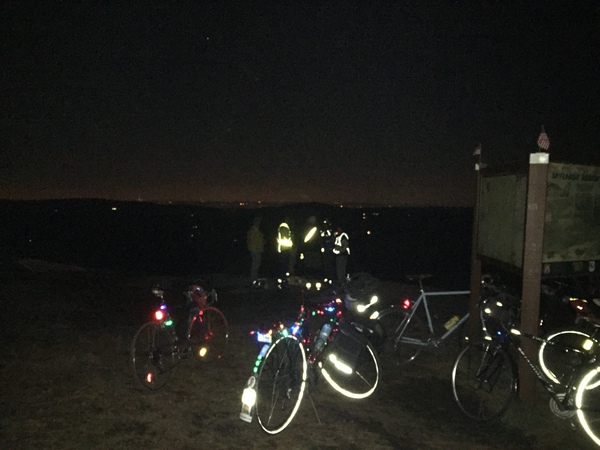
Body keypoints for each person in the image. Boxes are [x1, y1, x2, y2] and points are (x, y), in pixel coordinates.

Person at [246, 216, 265, 284]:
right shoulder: (253, 231)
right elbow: (254, 241)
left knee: (257, 265)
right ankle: (253, 279)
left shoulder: (256, 231)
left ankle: (255, 278)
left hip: (257, 249)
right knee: (255, 265)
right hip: (255, 250)